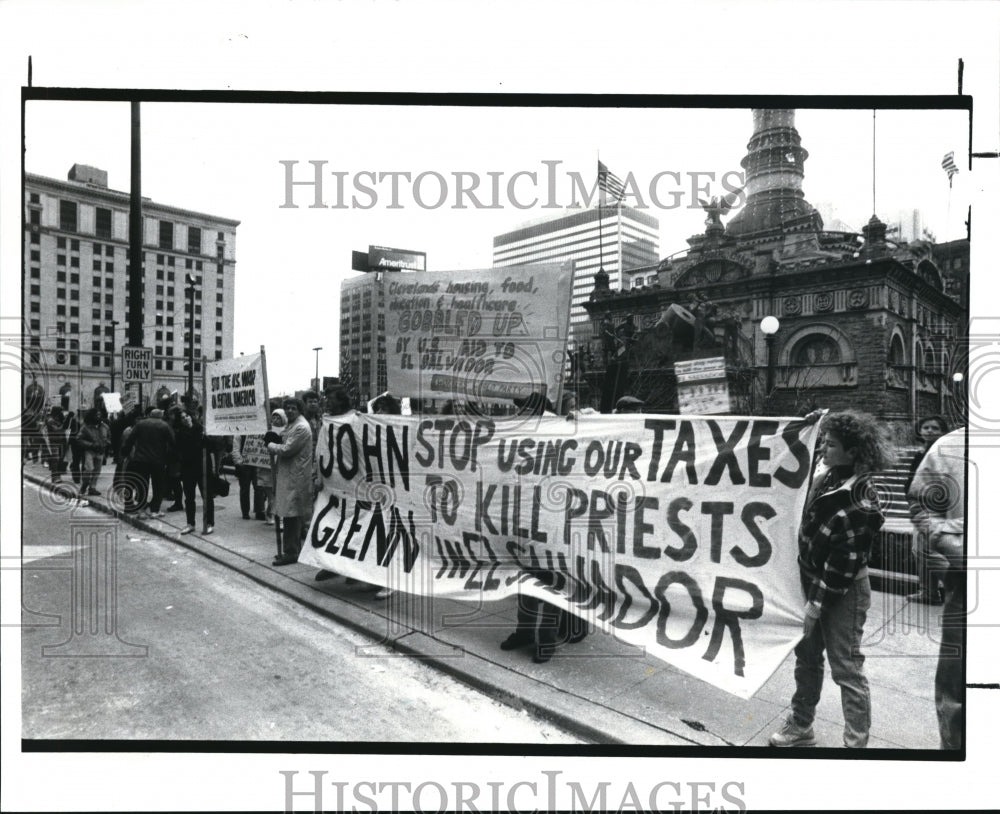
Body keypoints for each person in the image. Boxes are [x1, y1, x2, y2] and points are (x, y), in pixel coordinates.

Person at [770, 410, 888, 748]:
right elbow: (797, 458)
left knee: (846, 668)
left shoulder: (861, 502)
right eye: (822, 442)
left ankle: (856, 744)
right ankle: (801, 725)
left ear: (854, 453)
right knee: (807, 658)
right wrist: (807, 426)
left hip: (843, 591)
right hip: (812, 581)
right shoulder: (831, 475)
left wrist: (814, 606)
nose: (822, 449)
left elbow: (841, 568)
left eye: (831, 444)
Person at [908, 427, 965, 750]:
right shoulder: (950, 446)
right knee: (957, 690)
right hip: (968, 582)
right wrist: (950, 543)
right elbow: (921, 503)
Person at [904, 415, 950, 605]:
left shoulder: (943, 453)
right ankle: (928, 592)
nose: (929, 431)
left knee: (929, 553)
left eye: (934, 428)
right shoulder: (920, 454)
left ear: (943, 432)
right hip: (919, 507)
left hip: (935, 508)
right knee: (919, 551)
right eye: (926, 427)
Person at [267, 397, 314, 566]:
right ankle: (291, 549)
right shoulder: (292, 424)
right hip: (290, 475)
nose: (290, 411)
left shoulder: (301, 427)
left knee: (292, 515)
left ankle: (291, 552)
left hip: (296, 477)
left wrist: (271, 445)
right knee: (290, 515)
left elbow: (287, 449)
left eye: (293, 408)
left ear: (299, 409)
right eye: (287, 408)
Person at [120, 408, 175, 518]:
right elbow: (172, 442)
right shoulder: (164, 425)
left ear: (150, 415)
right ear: (161, 416)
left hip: (141, 460)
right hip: (158, 461)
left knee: (142, 485)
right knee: (158, 486)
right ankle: (154, 510)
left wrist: (125, 452)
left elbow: (130, 440)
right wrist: (170, 458)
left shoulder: (140, 424)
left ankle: (141, 511)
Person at [172, 407, 214, 534]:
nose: (185, 419)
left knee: (206, 496)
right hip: (188, 469)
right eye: (182, 418)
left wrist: (206, 438)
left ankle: (209, 523)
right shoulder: (180, 433)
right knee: (189, 498)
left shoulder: (201, 429)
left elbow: (212, 447)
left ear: (191, 416)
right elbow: (177, 451)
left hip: (202, 468)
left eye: (187, 416)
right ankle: (190, 523)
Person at [234, 435, 267, 520]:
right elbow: (236, 447)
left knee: (259, 487)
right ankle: (245, 512)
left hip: (257, 462)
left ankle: (259, 511)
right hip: (244, 463)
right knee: (245, 488)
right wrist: (238, 461)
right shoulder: (240, 432)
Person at [75, 409, 106, 497]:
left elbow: (108, 436)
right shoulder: (85, 427)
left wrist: (106, 443)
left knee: (97, 471)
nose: (99, 416)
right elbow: (78, 439)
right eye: (97, 414)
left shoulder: (104, 426)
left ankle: (92, 488)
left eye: (100, 414)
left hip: (100, 451)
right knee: (88, 469)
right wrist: (91, 444)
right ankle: (84, 485)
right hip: (89, 451)